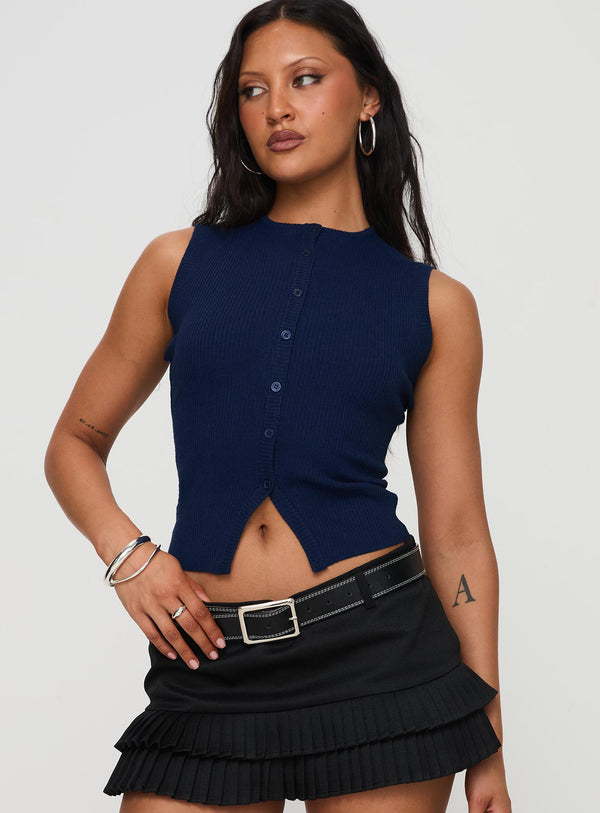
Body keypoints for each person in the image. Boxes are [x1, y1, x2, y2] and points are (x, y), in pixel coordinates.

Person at [44, 1, 512, 811]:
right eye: (252, 90)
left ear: (368, 96)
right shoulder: (176, 265)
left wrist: (487, 738)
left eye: (305, 79)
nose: (277, 109)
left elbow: (459, 532)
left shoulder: (435, 304)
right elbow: (72, 444)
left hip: (381, 659)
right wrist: (130, 558)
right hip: (208, 660)